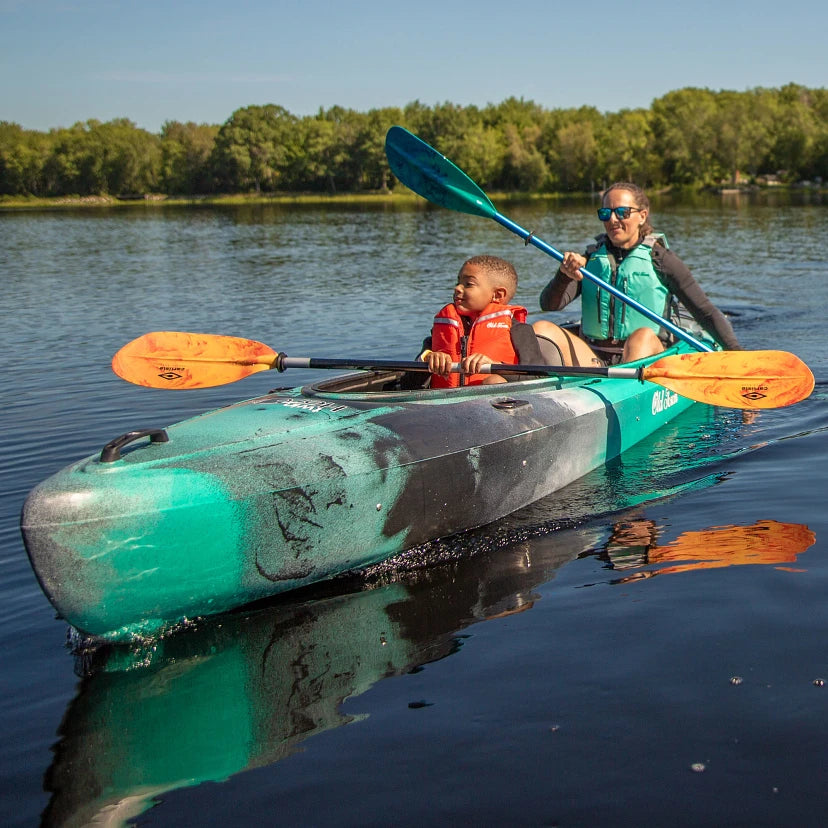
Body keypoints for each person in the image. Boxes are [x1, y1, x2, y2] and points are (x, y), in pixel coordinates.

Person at [532, 182, 741, 367]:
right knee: (542, 329)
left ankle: (622, 395)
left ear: (642, 215)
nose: (612, 220)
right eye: (606, 213)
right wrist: (564, 275)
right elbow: (549, 305)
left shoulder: (661, 259)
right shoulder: (590, 259)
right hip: (594, 356)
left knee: (640, 338)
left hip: (646, 357)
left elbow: (705, 313)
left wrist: (738, 358)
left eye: (622, 212)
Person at [421, 254, 544, 386]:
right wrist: (428, 358)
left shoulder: (520, 331)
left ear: (497, 295)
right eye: (458, 282)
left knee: (494, 381)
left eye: (468, 284)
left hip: (495, 403)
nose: (457, 288)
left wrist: (496, 367)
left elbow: (537, 379)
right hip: (444, 404)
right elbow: (408, 383)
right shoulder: (441, 330)